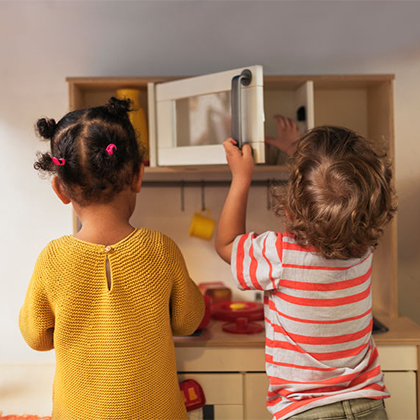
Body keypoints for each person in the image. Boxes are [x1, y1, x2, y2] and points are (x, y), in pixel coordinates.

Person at [19, 97, 205, 420]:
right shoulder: (161, 249)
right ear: (137, 175)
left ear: (60, 190)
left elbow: (36, 336)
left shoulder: (52, 260)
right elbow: (188, 320)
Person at [215, 116, 397, 420]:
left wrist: (241, 177)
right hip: (369, 403)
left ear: (289, 207)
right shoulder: (363, 250)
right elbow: (338, 200)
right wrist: (296, 153)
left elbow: (227, 245)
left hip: (304, 410)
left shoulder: (279, 255)